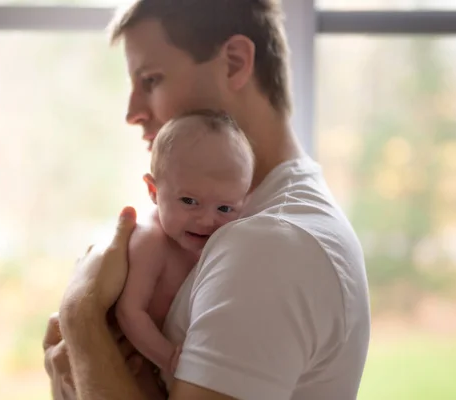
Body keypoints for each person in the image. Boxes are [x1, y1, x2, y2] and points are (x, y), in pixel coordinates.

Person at [43, 0, 372, 399]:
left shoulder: (268, 245)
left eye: (151, 79)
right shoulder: (231, 222)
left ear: (234, 62)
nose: (132, 112)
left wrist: (82, 319)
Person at [115, 109, 255, 377]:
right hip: (131, 360)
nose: (206, 221)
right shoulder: (151, 242)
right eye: (189, 201)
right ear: (154, 191)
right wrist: (169, 359)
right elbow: (130, 312)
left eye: (225, 208)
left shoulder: (219, 243)